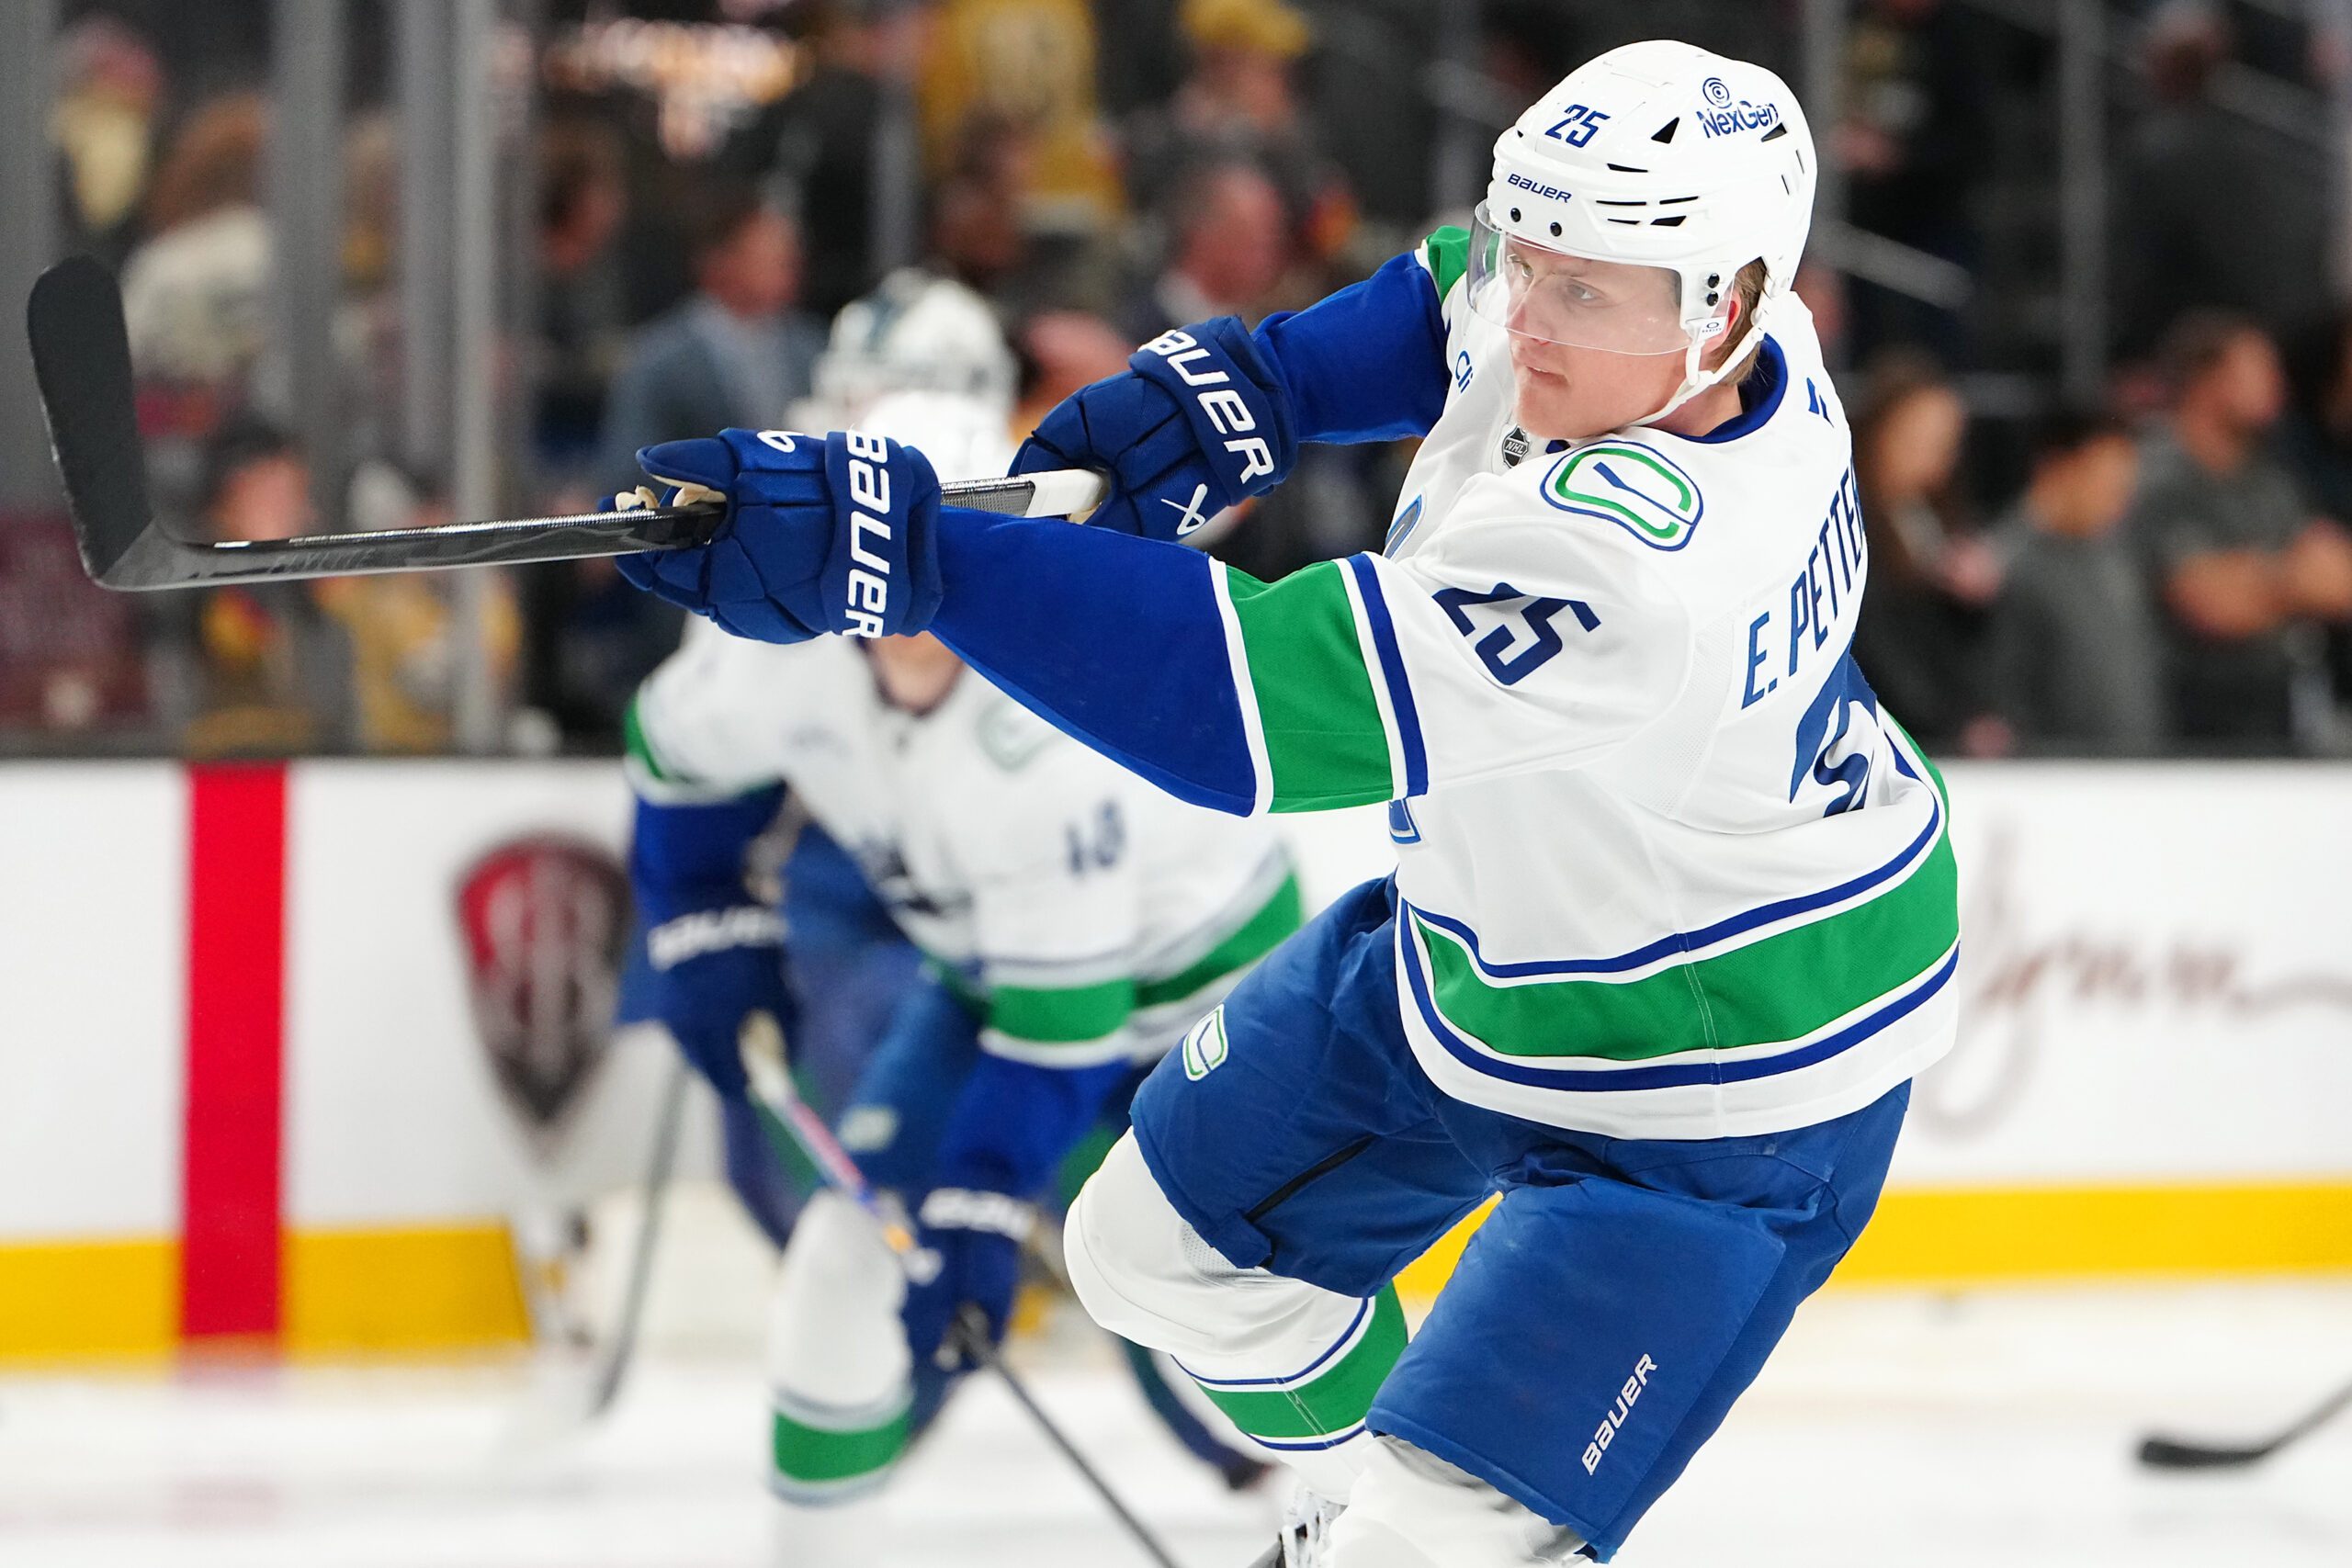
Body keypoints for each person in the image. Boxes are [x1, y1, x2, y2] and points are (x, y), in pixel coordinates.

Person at [614, 40, 1959, 1567]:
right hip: (1487, 955)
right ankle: (1353, 1504)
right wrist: (1263, 383)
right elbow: (1451, 287)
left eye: (1584, 291)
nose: (1528, 318)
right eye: (1540, 254)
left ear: (1725, 301)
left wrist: (914, 561)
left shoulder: (1652, 564)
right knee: (1150, 1255)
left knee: (1420, 1538)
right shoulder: (1681, 309)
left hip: (1726, 1084)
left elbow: (1248, 703)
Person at [616, 395, 1297, 1514]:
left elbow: (1061, 1039)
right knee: (847, 1252)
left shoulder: (1051, 723)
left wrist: (980, 1210)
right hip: (996, 981)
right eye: (871, 537)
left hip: (1215, 1007)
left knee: (1206, 1305)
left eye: (952, 532)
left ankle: (1316, 1509)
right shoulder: (779, 655)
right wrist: (700, 921)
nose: (901, 585)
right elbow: (674, 752)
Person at [2132, 310, 2352, 751]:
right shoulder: (2155, 476)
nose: (2277, 381)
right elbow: (2209, 603)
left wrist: (2258, 579)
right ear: (2209, 380)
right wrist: (2292, 579)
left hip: (2281, 716)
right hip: (2187, 724)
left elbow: (2341, 584)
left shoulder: (2271, 480)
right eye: (2259, 368)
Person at [1982, 411, 2161, 755]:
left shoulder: (2121, 558)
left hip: (2139, 773)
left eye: (2125, 486)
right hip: (2053, 779)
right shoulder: (2003, 567)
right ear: (2057, 469)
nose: (2118, 500)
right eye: (2105, 481)